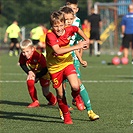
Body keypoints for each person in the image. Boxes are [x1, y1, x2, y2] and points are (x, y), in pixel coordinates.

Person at [46, 10, 89, 124]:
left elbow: (77, 29)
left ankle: (76, 96)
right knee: (60, 94)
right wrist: (76, 46)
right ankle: (66, 115)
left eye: (61, 25)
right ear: (52, 26)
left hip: (67, 63)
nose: (59, 28)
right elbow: (58, 50)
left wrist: (86, 40)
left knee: (75, 86)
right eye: (56, 26)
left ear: (65, 24)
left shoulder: (69, 29)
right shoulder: (50, 35)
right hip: (54, 68)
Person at [60, 4, 99, 121]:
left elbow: (77, 44)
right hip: (59, 60)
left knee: (77, 83)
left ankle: (90, 110)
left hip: (72, 58)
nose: (69, 22)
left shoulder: (74, 29)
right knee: (61, 87)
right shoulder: (56, 31)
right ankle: (63, 109)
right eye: (66, 20)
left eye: (71, 19)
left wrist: (81, 58)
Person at [19, 39, 57, 108]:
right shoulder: (22, 55)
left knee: (45, 93)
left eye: (27, 51)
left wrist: (37, 76)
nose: (25, 54)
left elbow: (45, 69)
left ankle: (53, 100)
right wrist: (29, 72)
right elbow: (22, 64)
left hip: (44, 73)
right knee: (29, 81)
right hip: (35, 72)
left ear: (33, 49)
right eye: (23, 52)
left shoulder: (39, 55)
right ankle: (35, 101)